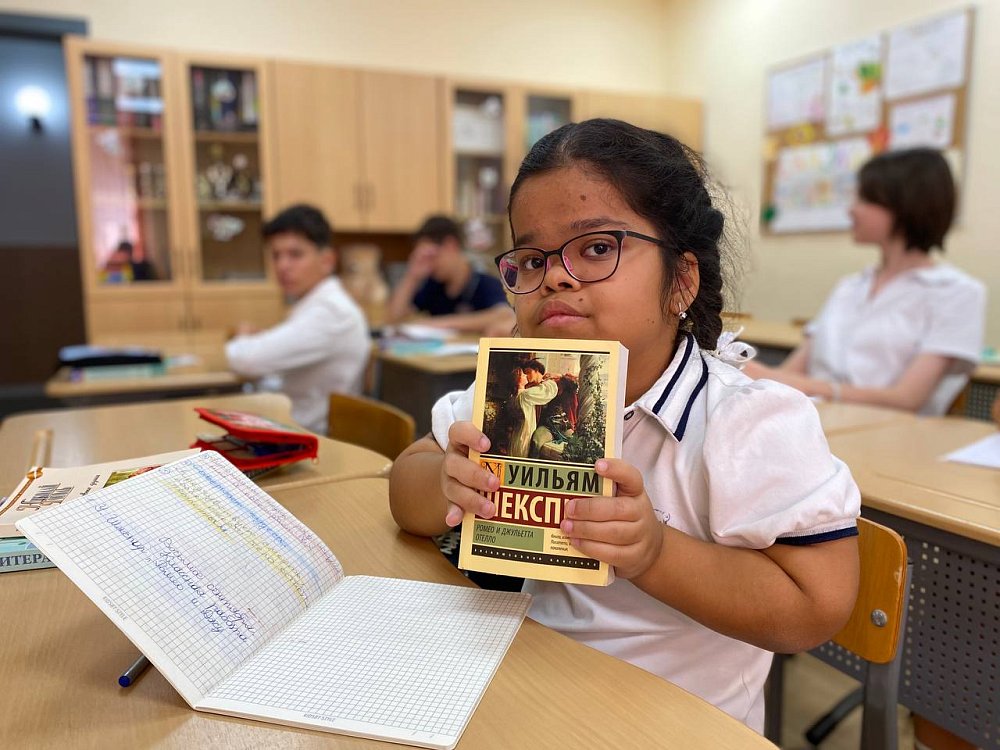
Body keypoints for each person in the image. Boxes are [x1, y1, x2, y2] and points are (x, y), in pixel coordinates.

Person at [388, 119, 861, 732]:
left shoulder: (749, 422)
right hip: (528, 689)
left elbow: (814, 607)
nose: (554, 276)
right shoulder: (517, 388)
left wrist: (655, 552)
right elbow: (405, 484)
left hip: (676, 726)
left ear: (680, 281)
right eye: (531, 259)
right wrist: (445, 484)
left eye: (596, 248)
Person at [744, 148, 986, 415]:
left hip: (888, 433)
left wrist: (794, 383)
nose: (851, 210)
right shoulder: (850, 287)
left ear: (904, 205)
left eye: (864, 199)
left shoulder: (957, 293)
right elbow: (789, 373)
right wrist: (756, 374)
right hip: (813, 422)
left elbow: (907, 399)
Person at [225, 204, 369, 434]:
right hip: (293, 424)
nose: (282, 266)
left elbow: (247, 360)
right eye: (276, 255)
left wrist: (241, 337)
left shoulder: (332, 312)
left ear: (327, 260)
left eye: (295, 254)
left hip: (312, 436)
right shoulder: (314, 303)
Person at [384, 215, 515, 335]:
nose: (428, 265)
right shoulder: (433, 285)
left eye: (431, 256)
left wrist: (437, 324)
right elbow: (393, 318)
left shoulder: (483, 282)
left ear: (450, 245)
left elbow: (504, 315)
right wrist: (412, 276)